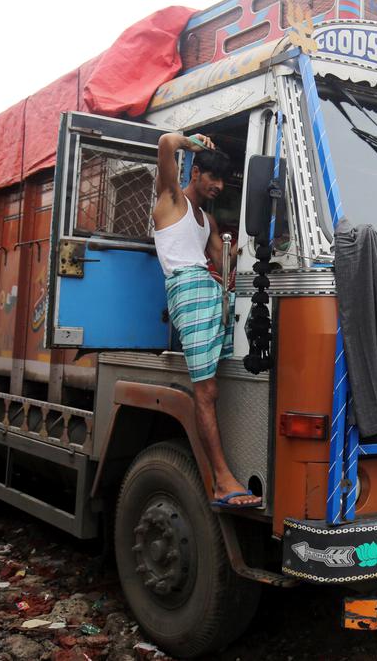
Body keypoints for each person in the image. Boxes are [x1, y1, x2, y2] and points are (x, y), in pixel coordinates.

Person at [152, 132, 259, 509]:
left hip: (212, 293)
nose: (217, 186)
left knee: (224, 379)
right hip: (187, 289)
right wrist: (193, 143)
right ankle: (220, 480)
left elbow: (226, 265)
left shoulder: (207, 220)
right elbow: (166, 143)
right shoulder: (170, 199)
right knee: (206, 389)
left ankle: (227, 475)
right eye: (212, 178)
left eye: (222, 182)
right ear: (195, 172)